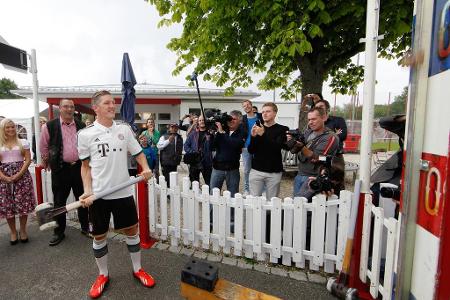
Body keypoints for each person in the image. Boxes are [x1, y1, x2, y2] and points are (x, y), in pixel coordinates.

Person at [77, 90, 155, 299]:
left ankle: (137, 269)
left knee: (132, 231)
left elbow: (138, 153)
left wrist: (145, 168)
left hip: (123, 191)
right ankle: (103, 274)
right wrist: (87, 191)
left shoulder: (124, 129)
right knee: (99, 235)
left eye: (113, 102)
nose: (112, 106)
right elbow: (85, 167)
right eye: (107, 103)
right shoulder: (85, 134)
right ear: (96, 108)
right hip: (99, 195)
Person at [40, 99, 89, 246]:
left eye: (71, 107)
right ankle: (59, 231)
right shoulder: (49, 125)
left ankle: (85, 227)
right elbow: (43, 146)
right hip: (60, 169)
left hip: (79, 168)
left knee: (83, 199)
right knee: (59, 202)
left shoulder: (81, 125)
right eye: (66, 106)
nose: (69, 109)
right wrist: (46, 161)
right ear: (60, 109)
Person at [287, 107, 339, 197]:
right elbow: (293, 151)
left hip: (314, 178)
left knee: (311, 208)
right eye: (309, 119)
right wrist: (293, 141)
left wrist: (302, 146)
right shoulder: (308, 132)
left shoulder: (330, 137)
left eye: (314, 119)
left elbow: (317, 158)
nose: (310, 122)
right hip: (300, 174)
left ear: (323, 118)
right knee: (297, 206)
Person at [0, 119, 36, 245]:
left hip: (22, 176)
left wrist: (19, 174)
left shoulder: (23, 142)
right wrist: (4, 177)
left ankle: (23, 230)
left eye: (12, 127)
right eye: (7, 127)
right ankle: (13, 232)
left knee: (23, 204)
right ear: (3, 129)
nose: (10, 129)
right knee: (8, 206)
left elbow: (27, 159)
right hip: (4, 178)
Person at [248, 102, 289, 200]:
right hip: (256, 170)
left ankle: (269, 216)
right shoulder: (258, 128)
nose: (264, 114)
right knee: (254, 201)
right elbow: (251, 150)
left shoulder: (282, 129)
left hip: (274, 172)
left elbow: (276, 147)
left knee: (272, 202)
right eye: (263, 112)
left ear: (275, 113)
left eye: (268, 111)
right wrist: (253, 137)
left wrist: (263, 135)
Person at [210, 110, 245, 197]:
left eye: (234, 119)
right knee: (213, 195)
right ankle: (211, 211)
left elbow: (234, 144)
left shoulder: (242, 132)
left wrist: (222, 132)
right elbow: (212, 146)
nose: (231, 120)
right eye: (230, 118)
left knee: (233, 196)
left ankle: (231, 211)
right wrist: (212, 134)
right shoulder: (222, 129)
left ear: (240, 121)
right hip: (217, 168)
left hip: (232, 170)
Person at [315, 99, 347, 187]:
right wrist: (333, 134)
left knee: (337, 182)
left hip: (336, 157)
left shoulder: (338, 120)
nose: (318, 108)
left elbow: (343, 135)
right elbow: (313, 139)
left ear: (327, 109)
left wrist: (324, 137)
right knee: (319, 182)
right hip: (319, 156)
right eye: (316, 107)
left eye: (321, 107)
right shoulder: (314, 122)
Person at [241, 100, 263, 196]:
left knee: (260, 168)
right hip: (246, 147)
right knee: (246, 170)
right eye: (244, 106)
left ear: (251, 105)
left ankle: (261, 190)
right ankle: (247, 189)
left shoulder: (260, 116)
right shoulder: (242, 118)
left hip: (259, 147)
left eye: (248, 105)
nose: (246, 107)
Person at [183, 115, 214, 185]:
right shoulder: (193, 134)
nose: (202, 122)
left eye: (203, 120)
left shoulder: (210, 133)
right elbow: (186, 146)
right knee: (194, 183)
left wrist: (211, 137)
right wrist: (193, 152)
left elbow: (214, 146)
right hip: (195, 162)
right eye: (200, 120)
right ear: (198, 122)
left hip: (206, 162)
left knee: (209, 183)